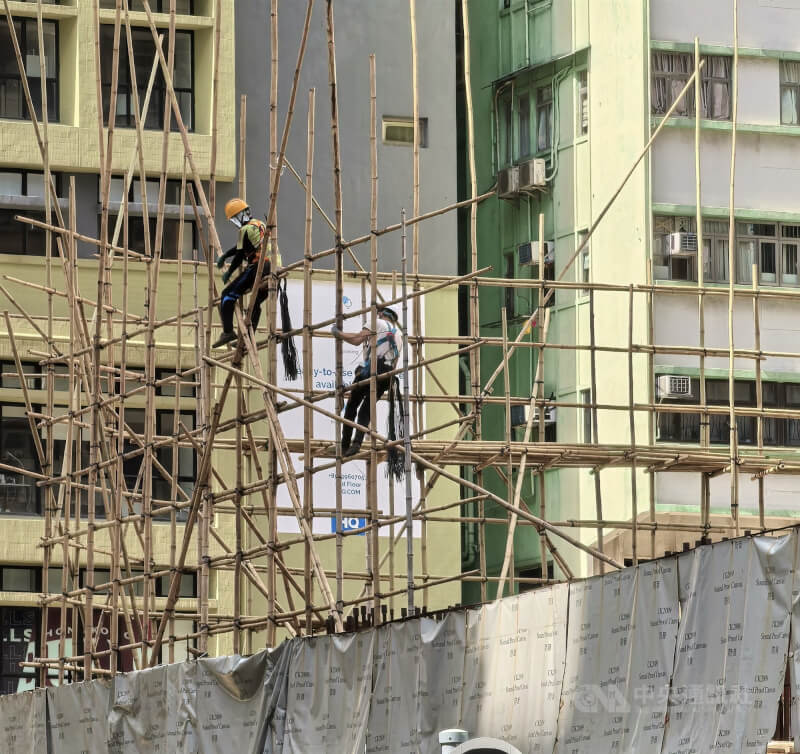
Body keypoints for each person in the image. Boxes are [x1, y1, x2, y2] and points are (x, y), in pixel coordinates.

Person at [331, 306, 402, 457]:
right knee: (366, 410)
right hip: (387, 375)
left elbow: (357, 339)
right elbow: (395, 363)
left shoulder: (378, 323)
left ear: (381, 314)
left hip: (373, 369)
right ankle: (357, 443)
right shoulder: (399, 335)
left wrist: (338, 334)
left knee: (352, 405)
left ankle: (344, 445)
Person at [212, 198, 281, 348]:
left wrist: (229, 272)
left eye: (234, 219)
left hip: (259, 268)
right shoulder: (259, 225)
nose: (235, 222)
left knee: (227, 295)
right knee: (254, 304)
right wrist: (225, 256)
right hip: (275, 269)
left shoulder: (244, 230)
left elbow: (239, 255)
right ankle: (247, 339)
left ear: (240, 215)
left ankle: (228, 332)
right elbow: (241, 249)